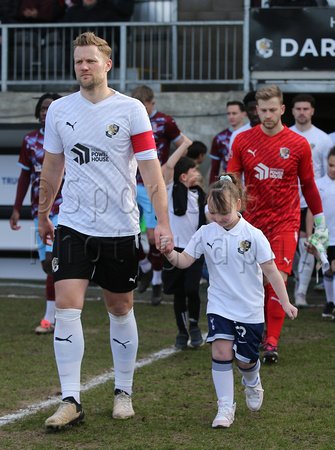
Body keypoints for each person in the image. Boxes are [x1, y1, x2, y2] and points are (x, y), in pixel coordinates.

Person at [37, 32, 174, 429]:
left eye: (90, 61)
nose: (83, 67)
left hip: (119, 227)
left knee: (120, 308)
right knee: (66, 308)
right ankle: (70, 400)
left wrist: (161, 223)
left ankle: (123, 392)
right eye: (78, 61)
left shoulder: (131, 110)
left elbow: (151, 174)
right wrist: (44, 213)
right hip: (73, 225)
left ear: (107, 64)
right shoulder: (60, 110)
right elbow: (52, 167)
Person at [160, 173, 297, 428]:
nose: (218, 217)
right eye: (213, 212)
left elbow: (271, 272)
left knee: (245, 360)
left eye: (222, 211)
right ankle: (224, 407)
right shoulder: (205, 233)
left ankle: (252, 381)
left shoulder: (254, 236)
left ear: (237, 204)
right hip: (220, 306)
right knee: (221, 351)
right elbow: (184, 261)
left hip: (249, 310)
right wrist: (169, 253)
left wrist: (285, 302)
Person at [227, 84, 327, 364]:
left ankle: (272, 342)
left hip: (285, 221)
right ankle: (257, 332)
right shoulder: (243, 141)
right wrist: (224, 204)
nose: (268, 115)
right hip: (251, 223)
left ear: (283, 110)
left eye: (273, 110)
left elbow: (308, 184)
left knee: (277, 278)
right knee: (253, 280)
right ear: (256, 110)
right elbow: (232, 178)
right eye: (263, 110)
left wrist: (319, 221)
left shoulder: (297, 144)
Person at [10, 93, 62, 335]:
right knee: (48, 265)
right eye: (42, 108)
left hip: (64, 209)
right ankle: (60, 313)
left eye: (49, 108)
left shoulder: (67, 137)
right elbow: (23, 177)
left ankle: (51, 319)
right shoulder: (30, 140)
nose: (44, 112)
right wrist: (17, 208)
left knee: (53, 262)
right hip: (39, 211)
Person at [131, 85, 183, 305]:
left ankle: (157, 283)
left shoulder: (165, 122)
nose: (141, 111)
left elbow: (182, 145)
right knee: (127, 232)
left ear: (152, 104)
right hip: (131, 184)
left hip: (153, 185)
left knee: (153, 237)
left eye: (144, 107)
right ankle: (144, 269)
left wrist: (169, 166)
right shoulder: (129, 117)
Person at [162, 134, 206, 349]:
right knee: (178, 292)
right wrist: (185, 145)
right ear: (182, 176)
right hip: (173, 248)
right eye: (193, 171)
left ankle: (194, 325)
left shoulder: (199, 195)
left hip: (193, 250)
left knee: (191, 288)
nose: (197, 173)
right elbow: (169, 166)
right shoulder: (171, 190)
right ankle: (182, 332)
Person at [290, 94, 333, 307]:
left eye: (305, 109)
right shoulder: (285, 135)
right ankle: (298, 279)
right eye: (298, 108)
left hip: (311, 202)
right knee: (291, 245)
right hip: (288, 202)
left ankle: (300, 293)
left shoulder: (323, 139)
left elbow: (327, 173)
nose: (301, 112)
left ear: (313, 111)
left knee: (308, 243)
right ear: (291, 111)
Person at [305, 147, 335, 318]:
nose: (333, 169)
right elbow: (311, 211)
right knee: (328, 271)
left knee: (334, 266)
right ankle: (330, 303)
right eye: (330, 165)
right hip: (324, 237)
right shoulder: (319, 185)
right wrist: (310, 234)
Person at [209, 101, 246, 184]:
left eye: (234, 113)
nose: (231, 116)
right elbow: (214, 169)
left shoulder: (250, 135)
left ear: (243, 114)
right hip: (228, 183)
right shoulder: (219, 138)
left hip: (248, 184)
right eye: (228, 113)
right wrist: (211, 189)